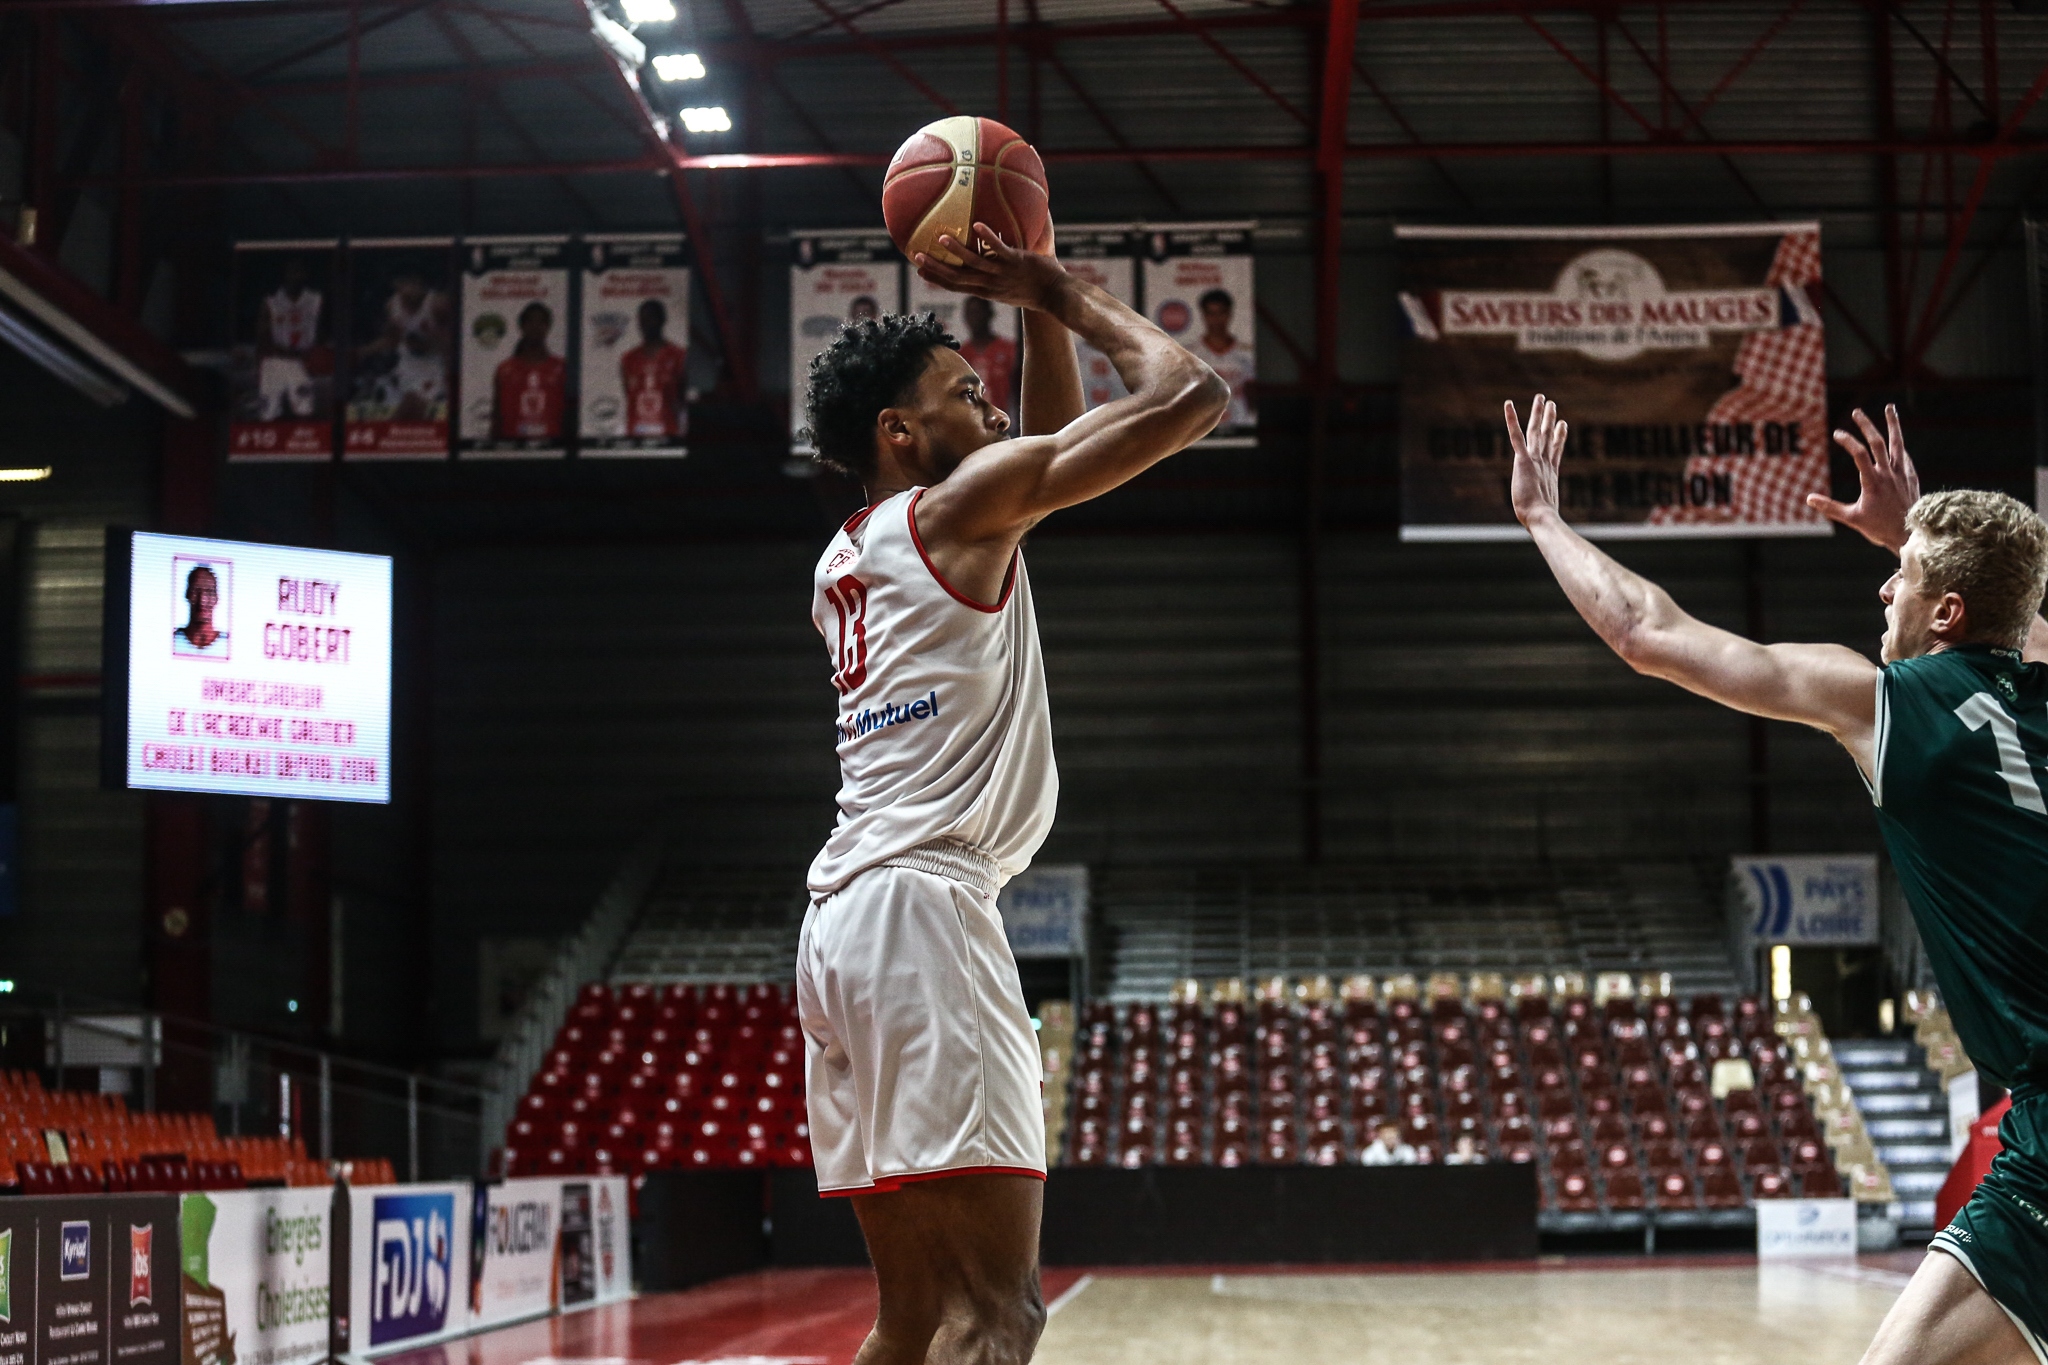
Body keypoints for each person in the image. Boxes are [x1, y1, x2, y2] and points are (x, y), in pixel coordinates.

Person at [1504, 395, 2048, 1365]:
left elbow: (1645, 631)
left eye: (1904, 583)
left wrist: (1544, 518)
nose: (1885, 592)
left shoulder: (1891, 709)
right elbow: (2011, 624)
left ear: (1944, 611)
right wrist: (1911, 541)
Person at [798, 220, 1226, 1365]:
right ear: (900, 433)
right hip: (925, 918)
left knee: (914, 1318)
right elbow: (1189, 395)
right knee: (997, 1314)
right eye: (958, 389)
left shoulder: (858, 548)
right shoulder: (951, 513)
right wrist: (1065, 291)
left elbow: (1040, 448)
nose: (985, 400)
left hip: (842, 923)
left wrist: (1031, 297)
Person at [357, 270, 450, 421]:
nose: (411, 288)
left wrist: (430, 345)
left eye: (414, 283)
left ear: (421, 283)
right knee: (407, 411)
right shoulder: (392, 305)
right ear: (396, 285)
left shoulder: (437, 305)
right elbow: (391, 339)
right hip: (407, 362)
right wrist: (363, 351)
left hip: (432, 363)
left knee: (413, 406)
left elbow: (452, 342)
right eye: (405, 283)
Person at [256, 258, 323, 421]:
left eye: (299, 271)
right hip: (275, 362)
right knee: (268, 414)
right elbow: (261, 334)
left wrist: (314, 353)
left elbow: (323, 331)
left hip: (301, 361)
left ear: (305, 275)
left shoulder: (315, 299)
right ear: (285, 275)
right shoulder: (271, 301)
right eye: (292, 272)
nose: (296, 276)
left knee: (305, 410)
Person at [492, 301, 567, 442]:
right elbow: (497, 417)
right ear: (522, 326)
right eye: (530, 322)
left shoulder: (561, 368)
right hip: (513, 449)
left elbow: (567, 415)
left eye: (541, 322)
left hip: (552, 449)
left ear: (548, 327)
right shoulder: (505, 370)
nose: (535, 327)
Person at [619, 298, 688, 439]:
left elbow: (682, 398)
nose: (646, 324)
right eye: (642, 319)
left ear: (663, 320)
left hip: (668, 433)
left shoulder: (678, 356)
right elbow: (629, 395)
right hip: (636, 434)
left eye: (651, 318)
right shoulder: (628, 359)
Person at [1194, 287, 1254, 431]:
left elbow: (1254, 394)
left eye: (1221, 313)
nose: (1216, 320)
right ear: (1203, 315)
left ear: (1229, 314)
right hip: (1202, 428)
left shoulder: (1247, 354)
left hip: (1241, 427)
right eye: (1211, 314)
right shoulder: (1191, 354)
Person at [956, 295, 1018, 422]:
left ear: (989, 314)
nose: (974, 318)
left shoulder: (1009, 350)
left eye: (978, 312)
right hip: (971, 425)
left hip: (1005, 423)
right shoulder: (960, 355)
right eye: (970, 313)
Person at [172, 566, 228, 656]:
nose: (202, 600)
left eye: (209, 592)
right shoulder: (170, 642)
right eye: (196, 591)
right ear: (187, 594)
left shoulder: (229, 645)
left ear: (216, 598)